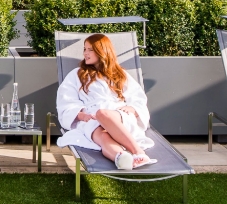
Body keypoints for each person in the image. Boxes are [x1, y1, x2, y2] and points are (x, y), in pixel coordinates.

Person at [55, 33, 155, 170]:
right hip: (91, 119)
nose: (85, 53)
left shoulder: (120, 74)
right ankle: (121, 158)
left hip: (119, 115)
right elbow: (66, 100)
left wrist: (132, 108)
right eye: (85, 49)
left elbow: (137, 97)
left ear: (102, 51)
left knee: (103, 114)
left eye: (90, 50)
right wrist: (81, 115)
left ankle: (138, 152)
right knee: (102, 137)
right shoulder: (76, 74)